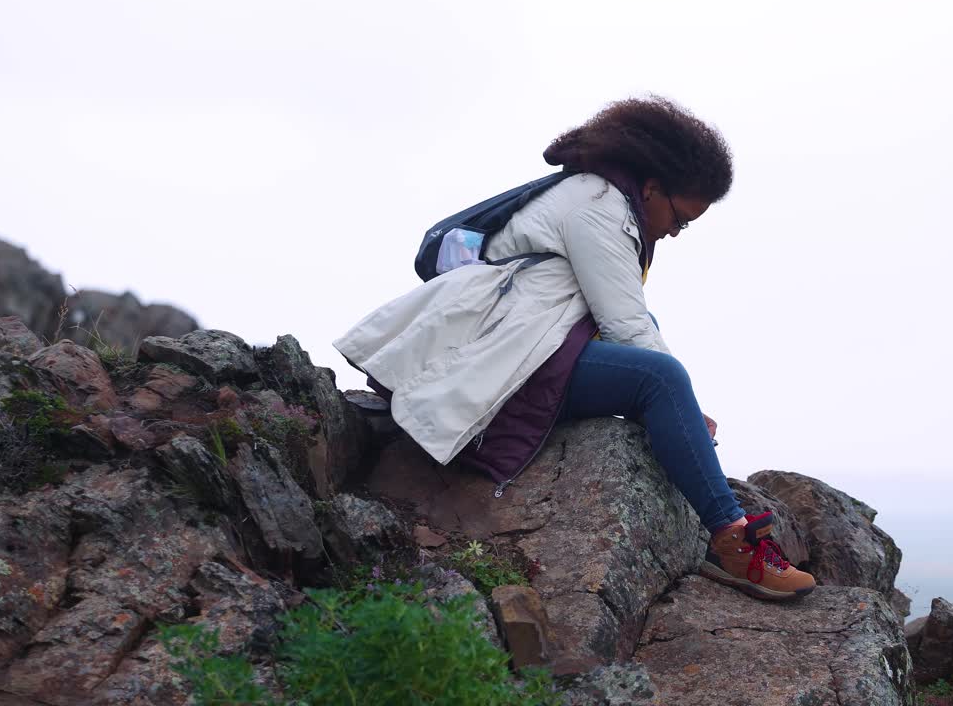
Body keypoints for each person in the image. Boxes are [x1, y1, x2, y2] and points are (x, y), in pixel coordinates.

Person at [335, 96, 815, 601]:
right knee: (660, 380)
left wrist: (683, 414)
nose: (676, 232)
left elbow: (626, 318)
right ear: (652, 187)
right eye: (681, 218)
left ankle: (725, 521)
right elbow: (625, 323)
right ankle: (732, 539)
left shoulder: (603, 202)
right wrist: (685, 405)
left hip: (528, 348)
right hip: (507, 359)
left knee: (659, 375)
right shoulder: (597, 205)